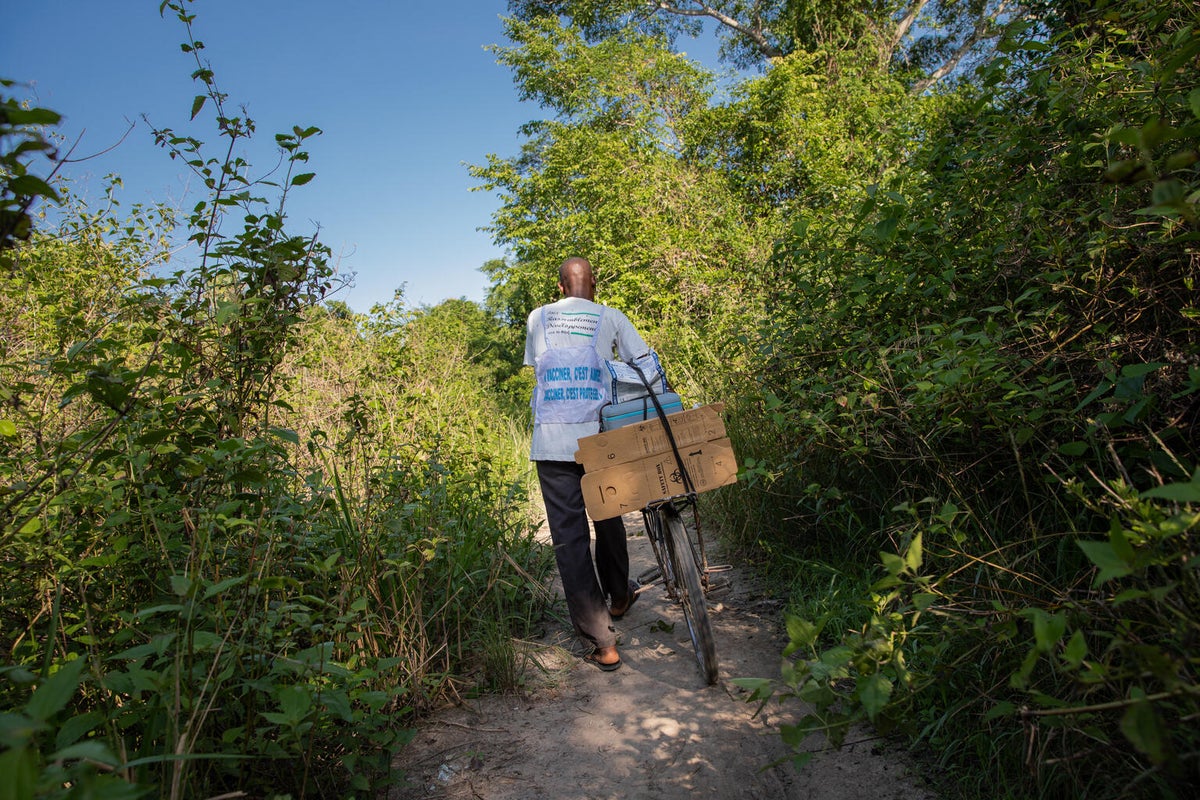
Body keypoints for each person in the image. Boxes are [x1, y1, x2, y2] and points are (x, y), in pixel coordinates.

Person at [524, 256, 648, 672]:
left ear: (560, 287)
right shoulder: (611, 317)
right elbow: (644, 366)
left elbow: (538, 372)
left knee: (570, 538)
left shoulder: (537, 318)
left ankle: (602, 642)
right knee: (609, 513)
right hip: (601, 438)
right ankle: (618, 596)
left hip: (552, 440)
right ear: (593, 282)